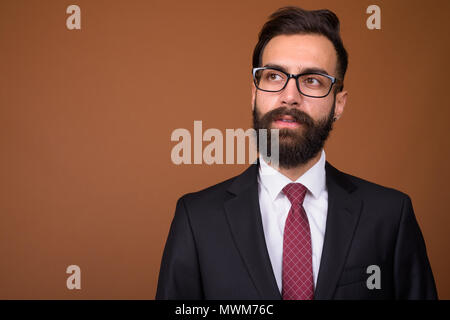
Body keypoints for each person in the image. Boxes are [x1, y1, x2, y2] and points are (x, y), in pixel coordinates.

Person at [155, 6, 437, 300]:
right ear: (254, 94)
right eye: (274, 76)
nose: (290, 96)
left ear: (338, 104)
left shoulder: (390, 215)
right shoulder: (197, 218)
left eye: (312, 80)